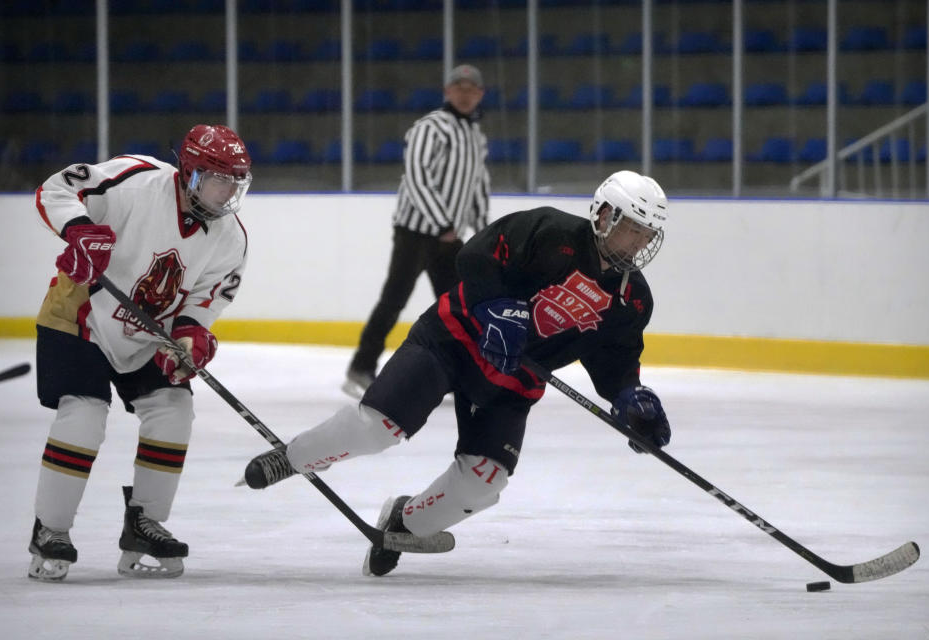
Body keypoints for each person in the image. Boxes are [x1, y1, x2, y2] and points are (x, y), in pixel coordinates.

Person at [244, 170, 671, 577]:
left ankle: (402, 525)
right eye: (632, 227)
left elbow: (614, 358)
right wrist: (494, 305)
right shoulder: (549, 231)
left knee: (484, 483)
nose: (638, 242)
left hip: (511, 385)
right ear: (603, 214)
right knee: (377, 428)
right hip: (453, 342)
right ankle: (294, 456)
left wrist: (629, 395)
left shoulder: (633, 299)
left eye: (647, 234)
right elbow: (476, 255)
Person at [28, 124, 253, 581]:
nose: (228, 190)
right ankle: (50, 530)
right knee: (84, 414)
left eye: (235, 181)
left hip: (147, 334)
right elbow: (55, 190)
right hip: (82, 313)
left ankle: (144, 524)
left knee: (173, 408)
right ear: (190, 173)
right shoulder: (136, 179)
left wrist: (191, 340)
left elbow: (202, 304)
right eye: (219, 178)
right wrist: (80, 231)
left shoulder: (231, 238)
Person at [343, 63, 491, 398]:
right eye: (459, 87)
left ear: (480, 95)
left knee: (459, 306)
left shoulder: (475, 136)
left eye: (472, 89)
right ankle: (361, 367)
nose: (465, 94)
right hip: (416, 232)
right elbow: (417, 176)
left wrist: (483, 231)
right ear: (447, 91)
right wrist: (441, 222)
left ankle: (460, 371)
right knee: (394, 298)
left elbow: (478, 184)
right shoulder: (430, 127)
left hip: (450, 238)